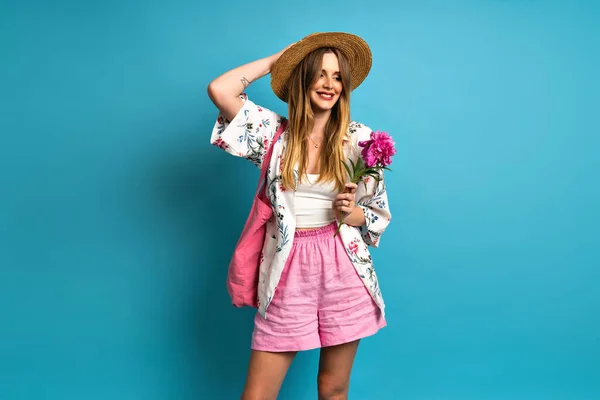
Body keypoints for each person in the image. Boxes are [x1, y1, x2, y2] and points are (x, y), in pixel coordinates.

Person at [207, 32, 392, 400]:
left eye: (337, 76)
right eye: (319, 73)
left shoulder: (360, 140)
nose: (329, 84)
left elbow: (375, 217)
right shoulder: (273, 135)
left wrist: (352, 213)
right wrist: (281, 60)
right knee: (257, 393)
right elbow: (220, 89)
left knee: (334, 389)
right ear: (302, 79)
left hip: (343, 266)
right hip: (287, 266)